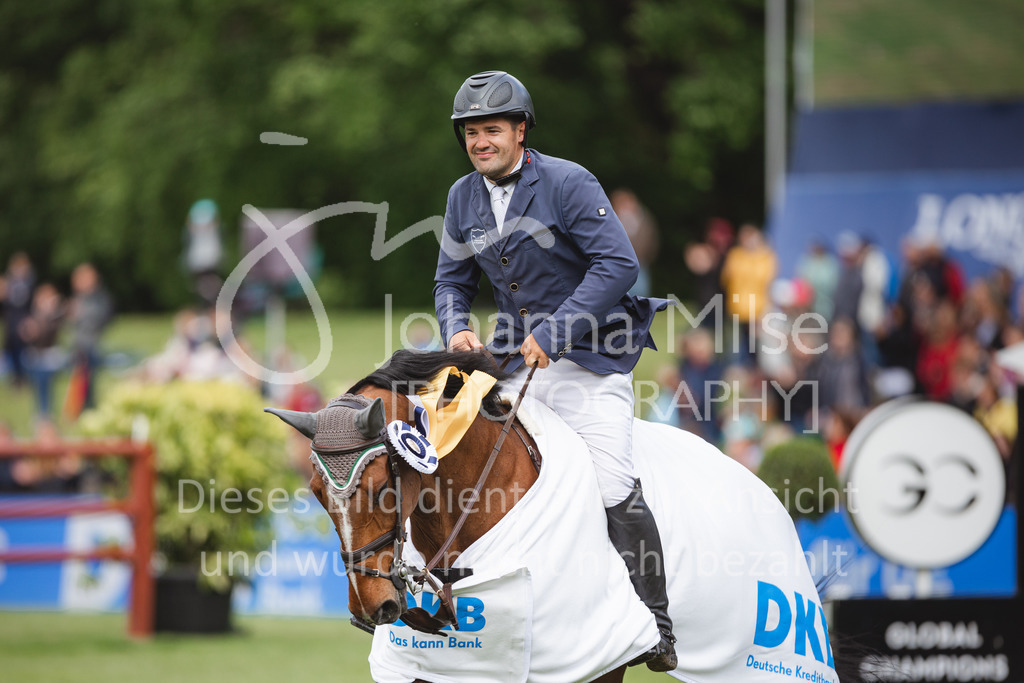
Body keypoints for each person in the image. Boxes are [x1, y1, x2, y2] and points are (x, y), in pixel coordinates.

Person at [434, 71, 675, 671]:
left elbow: (618, 265)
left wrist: (557, 330)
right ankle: (433, 594)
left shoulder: (568, 181)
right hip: (512, 358)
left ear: (520, 130)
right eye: (471, 132)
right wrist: (456, 325)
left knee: (612, 482)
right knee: (438, 443)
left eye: (492, 129)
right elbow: (450, 280)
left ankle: (655, 622)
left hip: (591, 359)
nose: (480, 141)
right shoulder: (462, 196)